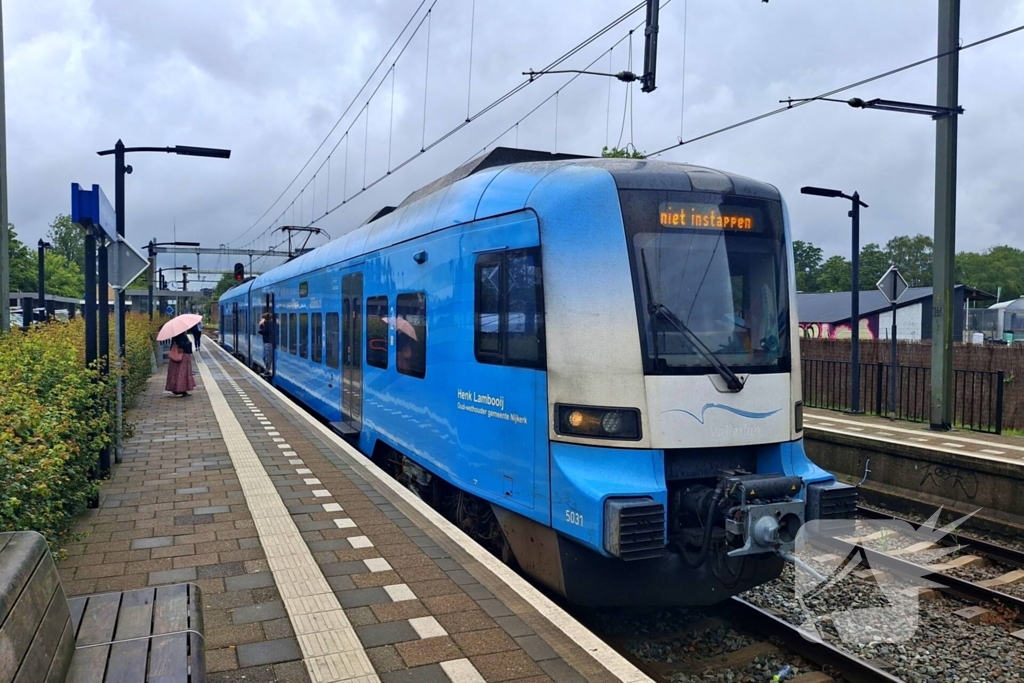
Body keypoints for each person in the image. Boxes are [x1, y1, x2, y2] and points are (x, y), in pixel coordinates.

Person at [166, 332, 196, 397]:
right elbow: (182, 344)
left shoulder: (176, 334)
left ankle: (181, 390)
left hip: (178, 356)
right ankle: (179, 390)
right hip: (182, 356)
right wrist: (189, 343)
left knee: (177, 373)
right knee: (181, 372)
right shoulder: (180, 335)